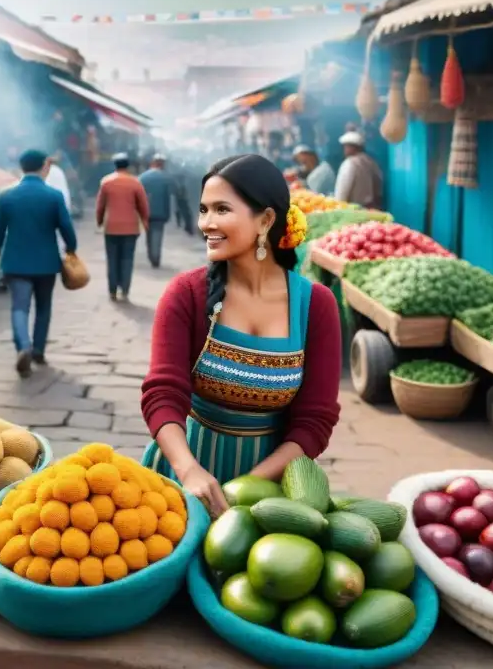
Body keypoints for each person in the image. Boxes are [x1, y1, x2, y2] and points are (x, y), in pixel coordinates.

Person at [140, 154, 342, 517]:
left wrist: (247, 490)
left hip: (271, 491)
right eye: (203, 210)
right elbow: (163, 393)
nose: (206, 223)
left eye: (221, 209)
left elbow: (315, 420)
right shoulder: (186, 294)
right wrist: (188, 471)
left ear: (265, 220)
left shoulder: (316, 305)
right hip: (183, 479)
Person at [0, 150, 78, 378]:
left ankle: (23, 346)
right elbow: (66, 228)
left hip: (15, 261)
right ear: (44, 167)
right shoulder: (54, 196)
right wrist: (71, 248)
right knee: (44, 306)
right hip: (46, 262)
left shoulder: (6, 195)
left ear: (21, 168)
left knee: (19, 307)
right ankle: (38, 350)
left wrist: (2, 249)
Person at [96, 153, 150, 302]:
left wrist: (100, 221)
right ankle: (125, 290)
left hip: (111, 227)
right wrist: (145, 220)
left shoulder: (106, 182)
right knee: (127, 259)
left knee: (112, 259)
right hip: (130, 228)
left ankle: (112, 291)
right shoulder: (135, 183)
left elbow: (100, 206)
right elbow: (143, 205)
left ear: (115, 165)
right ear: (129, 165)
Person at [138, 154, 173, 268]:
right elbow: (171, 195)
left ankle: (151, 255)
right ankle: (155, 258)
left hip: (146, 212)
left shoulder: (143, 177)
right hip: (161, 212)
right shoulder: (166, 178)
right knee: (157, 234)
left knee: (149, 234)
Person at [334, 131, 384, 208]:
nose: (344, 150)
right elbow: (379, 189)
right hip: (372, 209)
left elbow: (341, 194)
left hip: (354, 211)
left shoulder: (349, 163)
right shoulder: (371, 162)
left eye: (346, 147)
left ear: (353, 147)